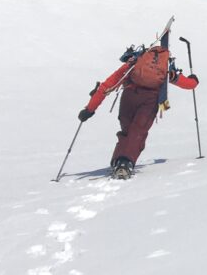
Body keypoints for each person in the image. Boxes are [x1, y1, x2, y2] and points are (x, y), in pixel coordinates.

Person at [78, 44, 199, 178]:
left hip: (129, 97)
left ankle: (119, 161)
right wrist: (194, 80)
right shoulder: (166, 69)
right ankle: (124, 163)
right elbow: (188, 84)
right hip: (150, 100)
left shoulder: (133, 64)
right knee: (138, 132)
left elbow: (107, 85)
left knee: (128, 131)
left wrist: (90, 109)